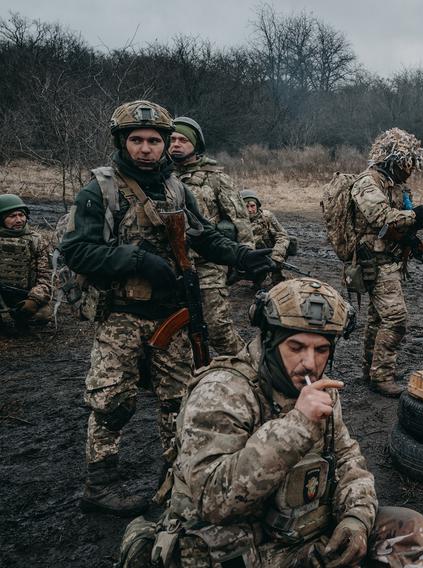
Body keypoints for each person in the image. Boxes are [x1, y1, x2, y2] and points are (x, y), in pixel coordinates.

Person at [59, 100, 275, 516]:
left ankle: (176, 478)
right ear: (122, 142)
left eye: (154, 141)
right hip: (122, 316)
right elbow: (77, 251)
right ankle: (99, 485)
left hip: (171, 319)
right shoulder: (100, 190)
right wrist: (138, 261)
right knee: (111, 402)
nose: (145, 148)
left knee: (178, 401)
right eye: (136, 140)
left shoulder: (178, 189)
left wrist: (243, 256)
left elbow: (205, 237)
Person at [158, 277, 423, 567]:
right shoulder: (223, 391)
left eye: (321, 350)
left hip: (301, 535)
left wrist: (356, 519)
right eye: (296, 347)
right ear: (269, 341)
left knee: (409, 529)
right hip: (240, 551)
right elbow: (212, 501)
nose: (309, 363)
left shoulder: (321, 390)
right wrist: (298, 425)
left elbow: (348, 463)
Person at [350, 128, 423, 397]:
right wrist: (413, 215)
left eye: (412, 163)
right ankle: (382, 375)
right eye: (406, 162)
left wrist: (416, 231)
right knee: (396, 319)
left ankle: (372, 372)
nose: (410, 169)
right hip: (373, 261)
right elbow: (380, 217)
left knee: (378, 319)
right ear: (391, 159)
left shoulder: (395, 185)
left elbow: (395, 225)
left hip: (389, 258)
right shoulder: (368, 182)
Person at [171, 116, 255, 356]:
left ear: (196, 144)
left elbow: (240, 221)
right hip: (171, 265)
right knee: (176, 330)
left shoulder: (216, 178)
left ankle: (248, 373)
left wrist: (243, 259)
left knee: (218, 327)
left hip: (209, 265)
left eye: (183, 139)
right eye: (172, 139)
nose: (176, 144)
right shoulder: (160, 177)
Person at [0, 193, 53, 327]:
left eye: (21, 215)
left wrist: (34, 300)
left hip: (25, 296)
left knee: (43, 314)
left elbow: (47, 277)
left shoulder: (37, 241)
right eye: (12, 216)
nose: (19, 220)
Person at [241, 188, 291, 287]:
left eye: (252, 206)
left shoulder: (266, 217)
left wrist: (276, 256)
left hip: (267, 253)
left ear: (257, 205)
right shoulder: (235, 220)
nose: (250, 210)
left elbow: (283, 235)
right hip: (247, 257)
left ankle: (275, 274)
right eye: (246, 206)